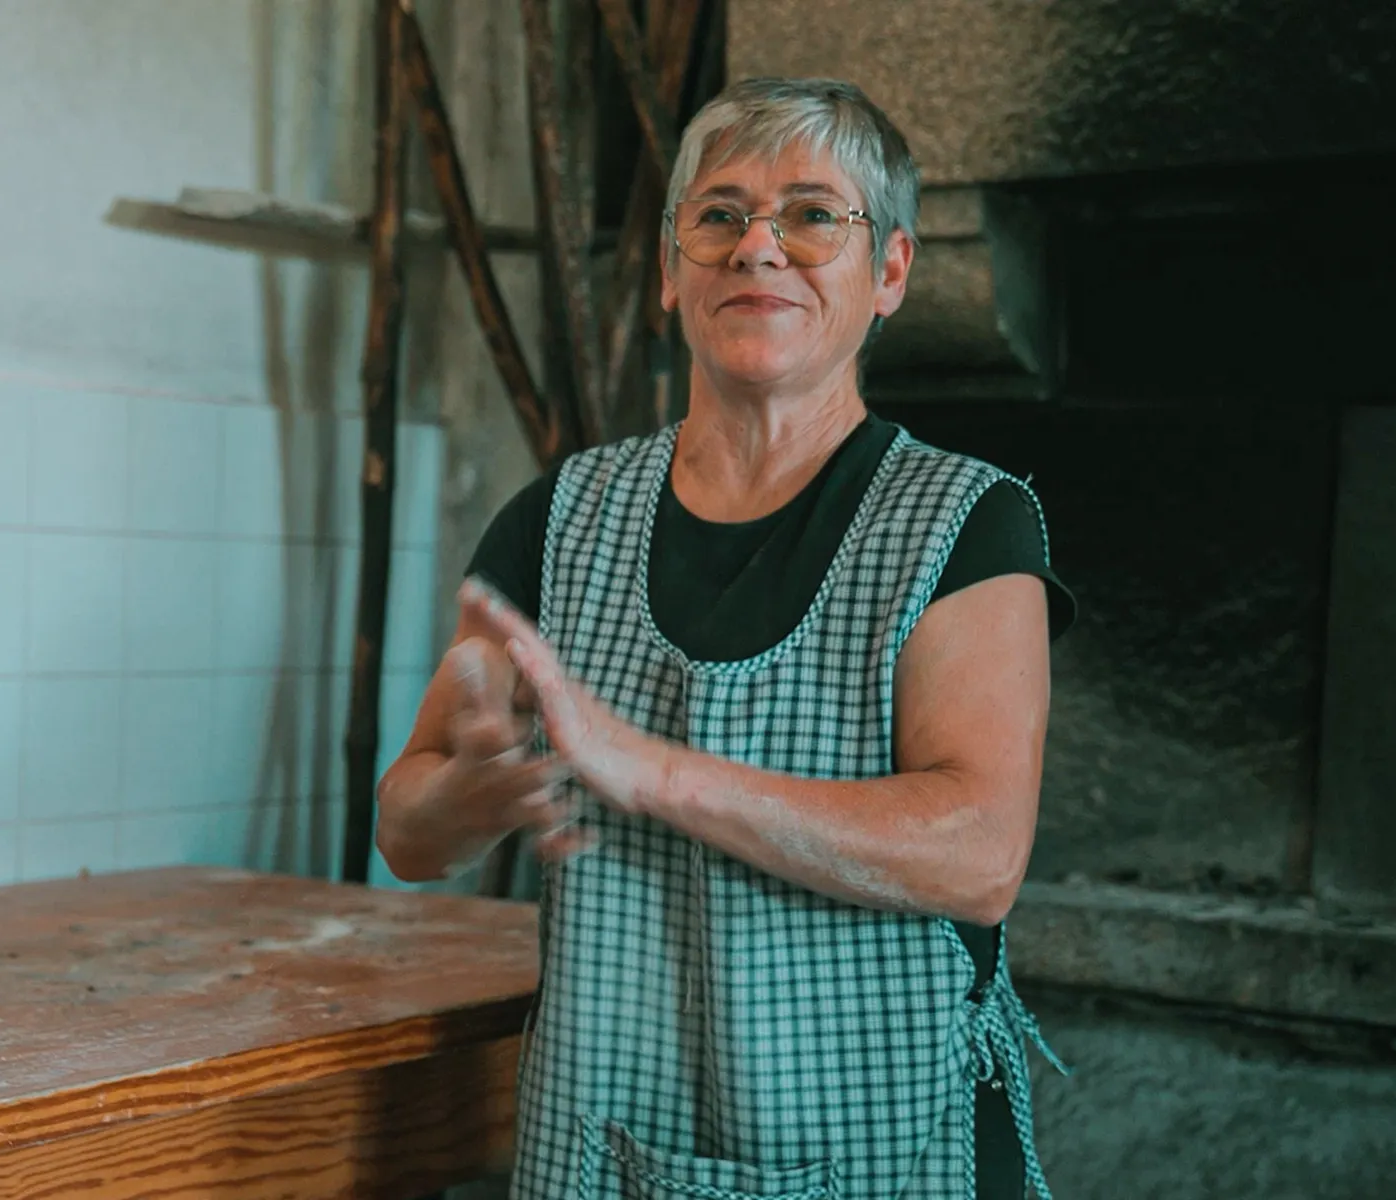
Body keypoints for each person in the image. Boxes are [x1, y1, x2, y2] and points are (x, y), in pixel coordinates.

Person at [375, 76, 1076, 1200]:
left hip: (880, 1153)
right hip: (608, 1139)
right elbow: (408, 832)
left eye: (812, 214)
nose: (759, 247)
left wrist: (650, 770)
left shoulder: (967, 520)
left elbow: (980, 852)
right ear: (669, 271)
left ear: (889, 270)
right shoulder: (564, 518)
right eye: (718, 215)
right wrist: (479, 787)